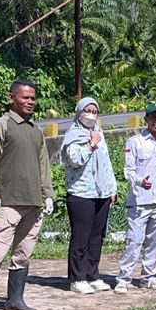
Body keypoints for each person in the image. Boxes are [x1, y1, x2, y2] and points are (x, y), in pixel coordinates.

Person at [0, 79, 54, 310]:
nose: (30, 102)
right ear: (12, 98)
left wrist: (48, 194)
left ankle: (15, 300)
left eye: (33, 98)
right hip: (7, 202)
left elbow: (44, 165)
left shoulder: (36, 130)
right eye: (25, 97)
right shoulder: (1, 126)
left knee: (23, 253)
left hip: (34, 203)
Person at [115, 103, 156, 292]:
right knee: (134, 240)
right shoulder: (134, 142)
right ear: (146, 119)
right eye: (154, 117)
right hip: (139, 201)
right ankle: (123, 278)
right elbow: (128, 170)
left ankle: (148, 276)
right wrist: (139, 181)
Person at [59, 96, 118, 294]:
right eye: (87, 111)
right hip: (81, 193)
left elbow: (106, 163)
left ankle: (93, 275)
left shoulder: (98, 133)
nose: (91, 115)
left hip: (101, 193)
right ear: (79, 112)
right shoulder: (73, 135)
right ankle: (77, 278)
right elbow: (75, 160)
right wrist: (91, 144)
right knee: (81, 237)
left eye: (94, 112)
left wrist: (112, 189)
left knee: (96, 237)